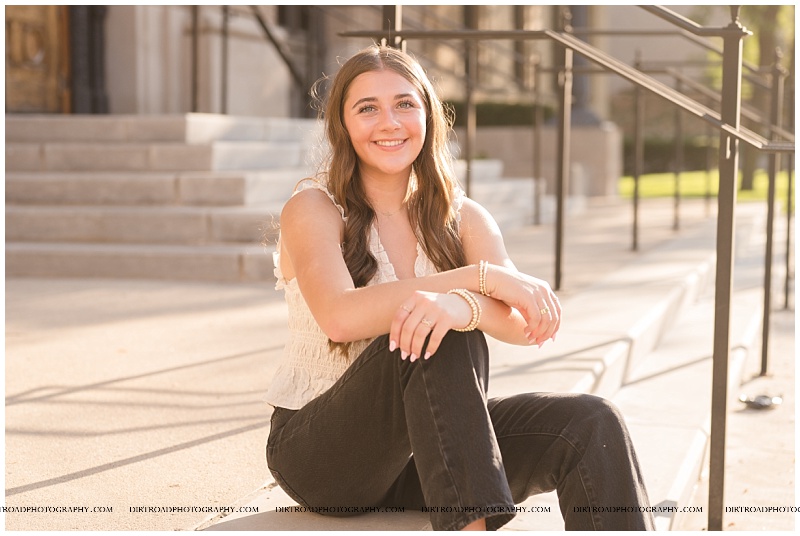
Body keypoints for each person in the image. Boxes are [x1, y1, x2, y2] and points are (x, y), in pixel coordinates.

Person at [265, 44, 653, 531]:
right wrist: (475, 283)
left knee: (592, 423)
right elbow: (339, 317)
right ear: (342, 126)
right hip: (321, 453)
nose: (389, 122)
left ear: (428, 115)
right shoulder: (314, 208)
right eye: (368, 108)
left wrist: (460, 307)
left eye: (405, 104)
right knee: (435, 326)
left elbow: (521, 326)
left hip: (424, 450)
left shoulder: (463, 216)